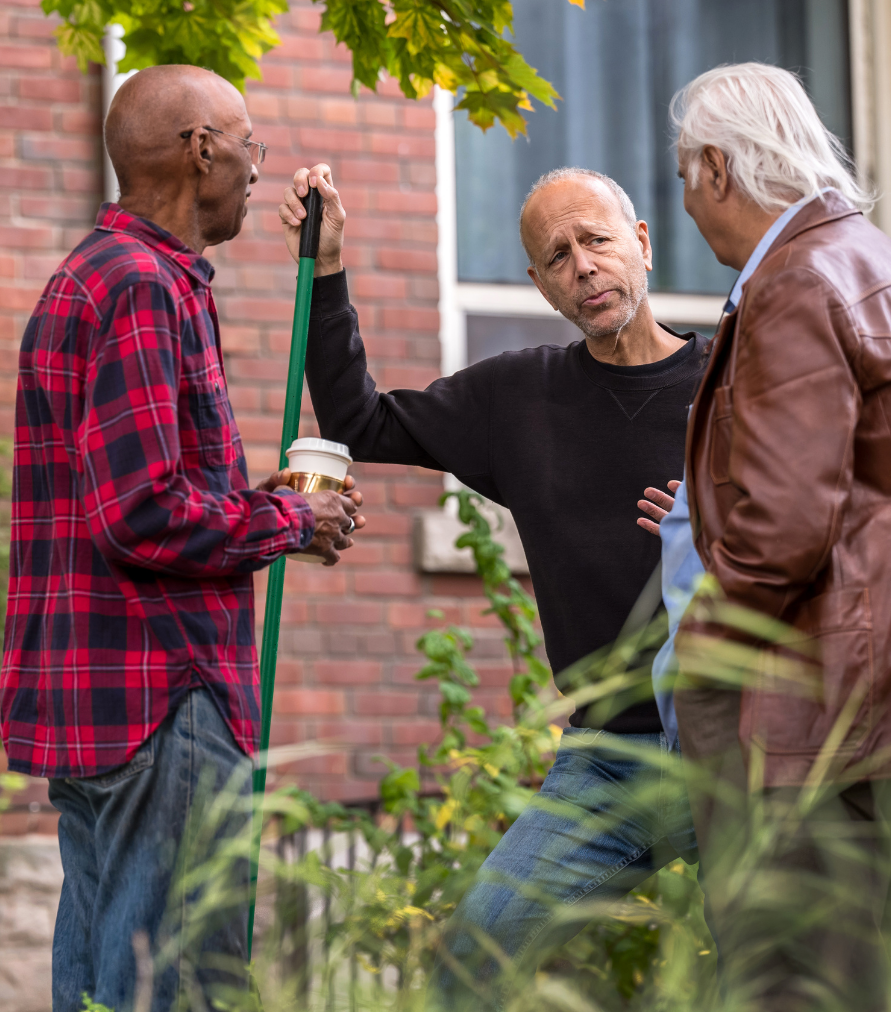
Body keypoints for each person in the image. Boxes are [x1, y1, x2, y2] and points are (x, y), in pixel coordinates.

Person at [639, 62, 891, 1011]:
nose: (688, 209)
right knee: (858, 975)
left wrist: (699, 662)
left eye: (686, 181)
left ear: (720, 169)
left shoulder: (794, 282)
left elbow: (782, 527)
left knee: (787, 981)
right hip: (884, 696)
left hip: (800, 712)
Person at [280, 162, 702, 1002]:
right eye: (556, 256)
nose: (582, 265)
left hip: (740, 741)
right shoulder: (521, 396)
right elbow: (361, 421)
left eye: (596, 240)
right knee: (473, 959)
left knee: (771, 975)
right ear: (540, 285)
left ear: (642, 245)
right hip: (609, 761)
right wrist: (326, 270)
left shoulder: (734, 382)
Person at [0, 64, 367, 1012]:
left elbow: (133, 497)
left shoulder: (94, 276)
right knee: (182, 981)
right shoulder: (140, 285)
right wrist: (289, 517)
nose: (257, 165)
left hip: (101, 697)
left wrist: (265, 502)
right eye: (249, 143)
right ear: (199, 148)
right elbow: (142, 512)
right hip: (162, 692)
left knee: (102, 976)